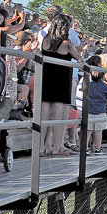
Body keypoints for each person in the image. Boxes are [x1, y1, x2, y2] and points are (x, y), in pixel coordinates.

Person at [40, 13, 83, 156]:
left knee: (44, 115)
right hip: (61, 81)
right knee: (58, 116)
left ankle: (42, 147)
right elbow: (80, 59)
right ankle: (56, 147)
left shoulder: (45, 39)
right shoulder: (66, 43)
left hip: (46, 79)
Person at [85, 56, 107, 155]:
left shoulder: (89, 85)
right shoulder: (105, 86)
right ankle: (97, 148)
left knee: (88, 131)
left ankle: (85, 148)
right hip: (101, 111)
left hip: (89, 111)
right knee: (98, 132)